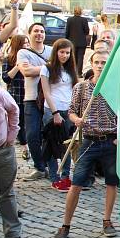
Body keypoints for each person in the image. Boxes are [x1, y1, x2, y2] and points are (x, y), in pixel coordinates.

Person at [51, 51, 119, 238]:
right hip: (88, 141)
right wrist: (76, 120)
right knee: (77, 183)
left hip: (110, 140)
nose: (99, 65)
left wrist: (119, 137)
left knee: (111, 182)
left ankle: (107, 220)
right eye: (96, 62)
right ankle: (65, 225)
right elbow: (71, 111)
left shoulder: (115, 88)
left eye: (104, 62)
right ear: (91, 63)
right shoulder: (81, 87)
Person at [40, 38, 78, 192]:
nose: (64, 55)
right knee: (51, 143)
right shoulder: (47, 69)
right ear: (56, 52)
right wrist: (55, 112)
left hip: (67, 109)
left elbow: (74, 90)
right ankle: (54, 178)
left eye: (67, 53)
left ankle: (65, 176)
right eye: (62, 52)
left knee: (66, 145)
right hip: (52, 109)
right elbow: (46, 92)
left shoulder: (71, 69)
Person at [18, 23, 53, 181]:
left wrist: (36, 68)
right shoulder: (23, 52)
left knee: (50, 135)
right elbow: (26, 72)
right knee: (31, 134)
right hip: (31, 98)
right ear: (29, 33)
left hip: (50, 99)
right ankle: (40, 167)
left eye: (42, 31)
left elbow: (59, 69)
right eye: (36, 31)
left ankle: (50, 166)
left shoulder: (52, 50)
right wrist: (48, 67)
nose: (39, 34)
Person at [0, 89, 27, 238]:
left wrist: (12, 134)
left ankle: (13, 233)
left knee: (6, 193)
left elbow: (14, 109)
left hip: (2, 149)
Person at [2, 34, 28, 160]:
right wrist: (18, 66)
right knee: (20, 123)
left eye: (28, 43)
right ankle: (25, 148)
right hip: (16, 96)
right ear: (18, 45)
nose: (27, 46)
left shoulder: (31, 58)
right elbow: (6, 78)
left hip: (31, 96)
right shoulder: (9, 59)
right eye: (25, 43)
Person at [64, 6, 89, 77]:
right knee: (80, 57)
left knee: (73, 57)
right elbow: (87, 31)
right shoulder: (84, 20)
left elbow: (67, 31)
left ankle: (72, 72)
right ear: (81, 11)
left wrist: (66, 40)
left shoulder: (69, 20)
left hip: (72, 42)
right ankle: (79, 73)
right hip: (82, 42)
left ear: (74, 11)